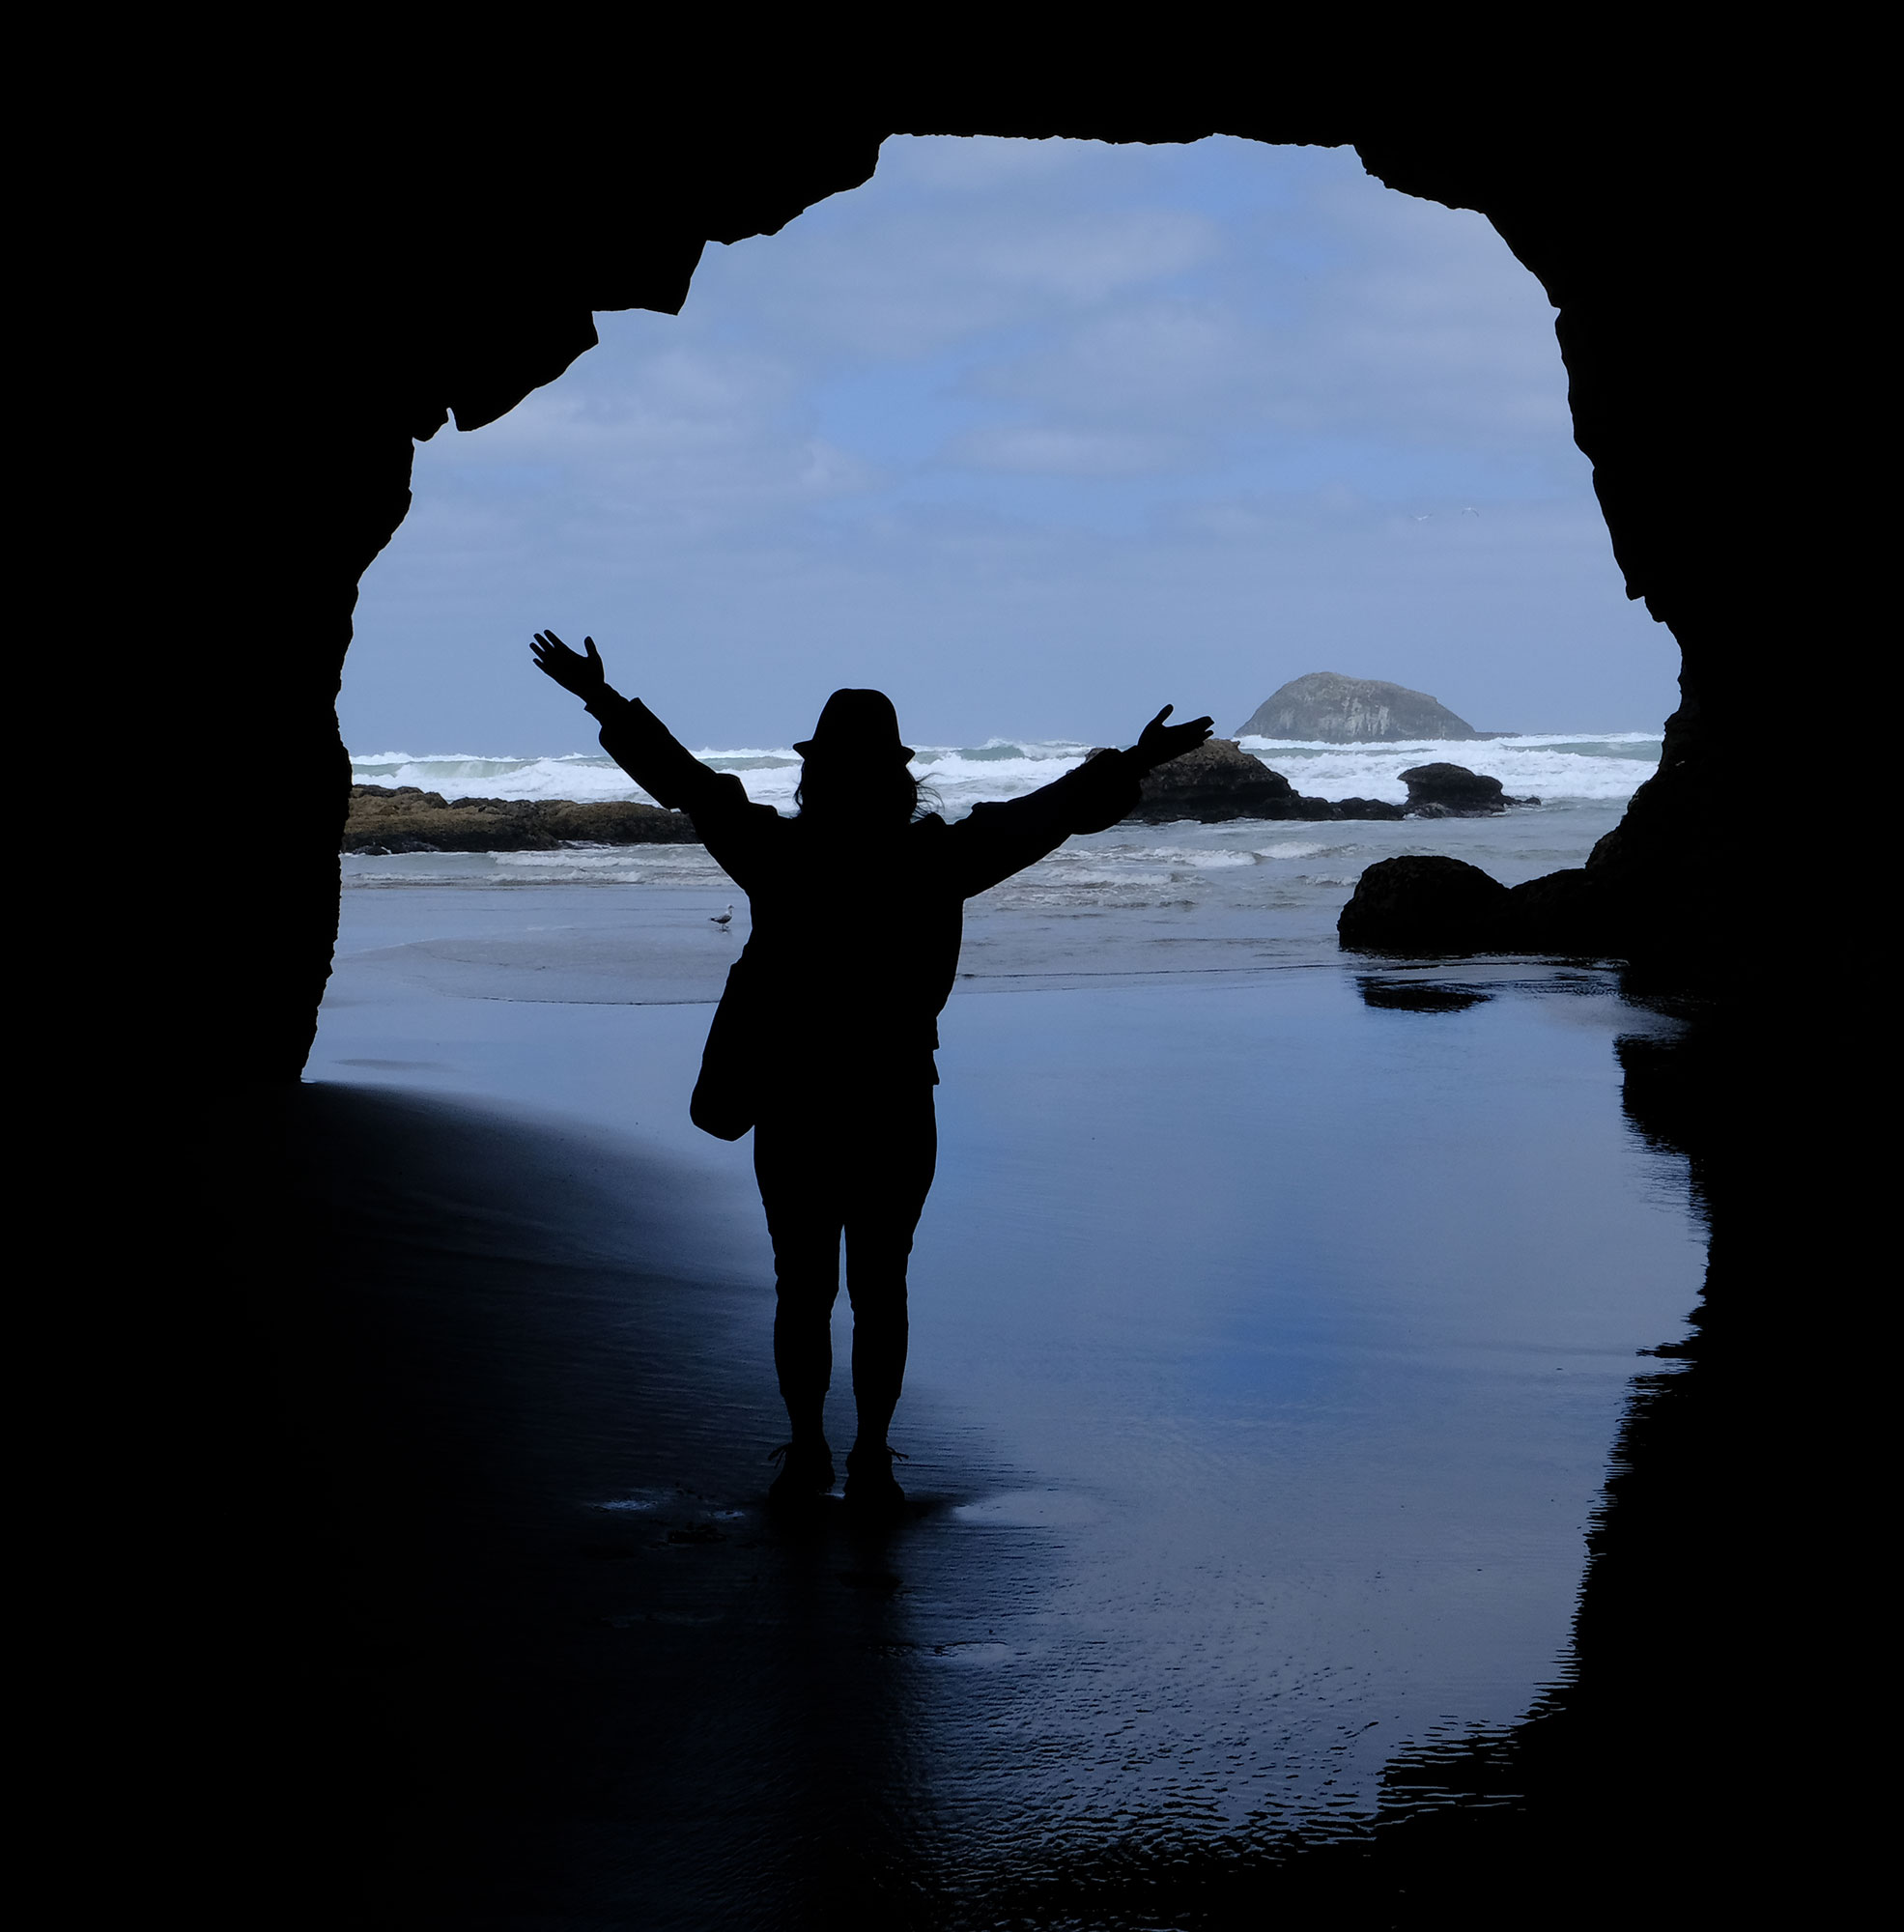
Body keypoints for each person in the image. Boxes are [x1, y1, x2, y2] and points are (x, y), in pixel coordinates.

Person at [531, 629, 1211, 1520]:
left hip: (796, 1099)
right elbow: (1053, 811)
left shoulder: (774, 854)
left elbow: (688, 786)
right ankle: (871, 1458)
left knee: (802, 1284)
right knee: (880, 1285)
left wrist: (602, 698)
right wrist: (1137, 761)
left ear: (813, 776)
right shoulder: (939, 860)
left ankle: (807, 1449)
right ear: (899, 778)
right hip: (894, 1097)